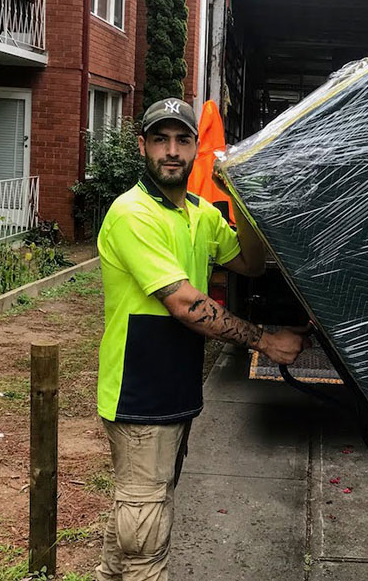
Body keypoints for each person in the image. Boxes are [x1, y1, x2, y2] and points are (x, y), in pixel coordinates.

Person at [95, 97, 309, 580]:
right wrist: (266, 342)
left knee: (135, 517)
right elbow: (186, 304)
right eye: (160, 140)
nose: (171, 151)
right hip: (139, 392)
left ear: (196, 149)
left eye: (183, 140)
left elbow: (250, 263)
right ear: (142, 146)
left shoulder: (199, 212)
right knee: (147, 542)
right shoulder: (132, 213)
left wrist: (244, 202)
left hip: (174, 386)